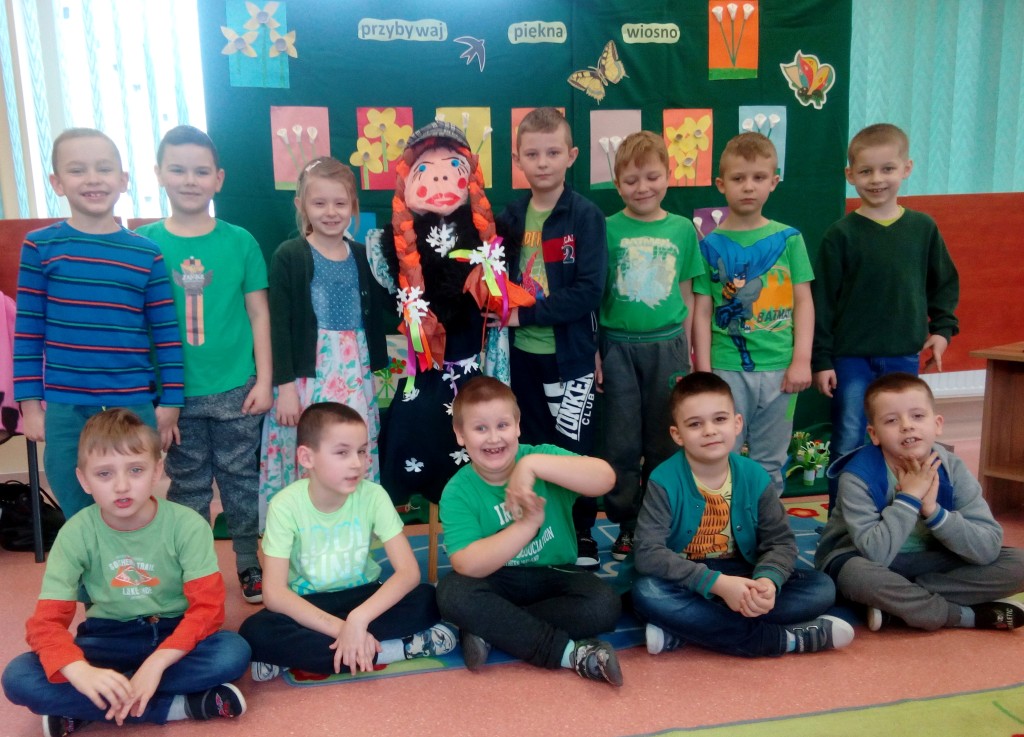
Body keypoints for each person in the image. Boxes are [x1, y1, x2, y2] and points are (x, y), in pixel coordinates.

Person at [1, 409, 250, 735]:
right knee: (19, 677)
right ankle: (178, 706)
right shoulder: (75, 533)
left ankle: (89, 707)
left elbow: (208, 610)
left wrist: (157, 663)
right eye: (104, 474)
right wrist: (80, 672)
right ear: (84, 480)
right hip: (107, 639)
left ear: (156, 471)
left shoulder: (187, 525)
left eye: (135, 470)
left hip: (174, 633)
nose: (121, 486)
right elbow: (45, 623)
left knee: (232, 653)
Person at [12, 128, 184, 518]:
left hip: (132, 400)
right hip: (66, 403)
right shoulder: (40, 246)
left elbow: (166, 336)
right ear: (57, 182)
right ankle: (88, 560)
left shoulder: (147, 253)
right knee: (74, 497)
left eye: (104, 169)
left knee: (132, 499)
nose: (92, 179)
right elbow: (28, 333)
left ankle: (132, 559)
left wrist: (172, 402)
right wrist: (30, 406)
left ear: (123, 180)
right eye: (77, 170)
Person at [137, 125, 271, 604]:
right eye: (178, 169)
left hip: (237, 386)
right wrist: (153, 396)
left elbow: (258, 313)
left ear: (219, 178)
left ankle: (249, 562)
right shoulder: (143, 243)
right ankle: (194, 569)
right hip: (175, 396)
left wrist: (265, 379)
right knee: (188, 485)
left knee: (240, 480)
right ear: (159, 174)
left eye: (200, 171)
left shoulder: (240, 241)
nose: (189, 180)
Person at [632, 372, 853, 657]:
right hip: (686, 578)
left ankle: (688, 629)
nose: (710, 430)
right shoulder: (663, 480)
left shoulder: (754, 476)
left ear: (737, 423)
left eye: (719, 419)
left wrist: (767, 582)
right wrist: (719, 585)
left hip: (744, 573)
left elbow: (781, 542)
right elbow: (648, 553)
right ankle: (783, 640)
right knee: (647, 592)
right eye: (695, 424)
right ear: (678, 435)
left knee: (821, 588)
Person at [239, 402, 456, 681]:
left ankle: (301, 657)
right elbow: (275, 594)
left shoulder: (374, 495)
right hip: (310, 605)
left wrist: (358, 620)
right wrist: (343, 629)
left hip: (365, 597)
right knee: (254, 631)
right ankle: (392, 649)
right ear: (307, 457)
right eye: (342, 452)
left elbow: (409, 573)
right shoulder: (284, 505)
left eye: (362, 451)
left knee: (429, 598)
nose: (357, 463)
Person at [377, 120, 529, 507]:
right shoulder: (396, 242)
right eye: (426, 170)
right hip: (426, 370)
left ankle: (480, 512)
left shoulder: (486, 237)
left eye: (452, 169)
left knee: (482, 431)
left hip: (473, 369)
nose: (441, 179)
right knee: (413, 425)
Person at [435, 377, 624, 686]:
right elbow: (467, 564)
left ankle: (491, 628)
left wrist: (532, 465)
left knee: (604, 604)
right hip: (495, 579)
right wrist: (526, 526)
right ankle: (568, 654)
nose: (494, 438)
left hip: (554, 574)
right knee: (451, 594)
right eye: (480, 428)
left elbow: (605, 478)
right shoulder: (457, 490)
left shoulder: (543, 456)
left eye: (502, 425)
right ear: (460, 434)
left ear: (518, 426)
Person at [812, 124, 960, 510]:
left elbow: (944, 283)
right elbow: (822, 302)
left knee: (907, 439)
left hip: (903, 358)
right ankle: (843, 523)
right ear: (850, 175)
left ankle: (905, 512)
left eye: (887, 169)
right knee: (848, 438)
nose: (877, 179)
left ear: (906, 168)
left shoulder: (923, 229)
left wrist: (943, 330)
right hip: (850, 359)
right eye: (866, 171)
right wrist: (822, 359)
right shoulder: (840, 235)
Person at [815, 373, 1024, 632]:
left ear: (937, 424)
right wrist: (909, 498)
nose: (907, 426)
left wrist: (934, 512)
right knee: (857, 576)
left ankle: (898, 606)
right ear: (874, 434)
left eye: (917, 416)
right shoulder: (858, 475)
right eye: (891, 420)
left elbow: (988, 547)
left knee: (1019, 563)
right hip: (868, 563)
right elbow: (874, 554)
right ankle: (961, 615)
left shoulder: (952, 468)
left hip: (931, 563)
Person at [499, 107, 608, 567]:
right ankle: (543, 531)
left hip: (570, 358)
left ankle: (581, 533)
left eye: (552, 152)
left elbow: (588, 292)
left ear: (571, 155)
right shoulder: (508, 217)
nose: (542, 162)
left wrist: (524, 316)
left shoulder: (585, 216)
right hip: (520, 360)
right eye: (532, 154)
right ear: (517, 160)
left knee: (574, 449)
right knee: (533, 448)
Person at [260, 157, 390, 528]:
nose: (330, 212)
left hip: (353, 373)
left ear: (353, 206)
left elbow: (379, 312)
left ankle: (352, 530)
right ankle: (302, 533)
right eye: (319, 203)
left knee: (348, 446)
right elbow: (279, 326)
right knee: (313, 449)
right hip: (308, 376)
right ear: (301, 205)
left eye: (340, 203)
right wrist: (285, 387)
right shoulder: (290, 255)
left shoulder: (362, 256)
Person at [597, 131, 705, 561]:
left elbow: (689, 295)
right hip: (618, 348)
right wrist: (596, 352)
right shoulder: (606, 229)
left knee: (665, 441)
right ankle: (627, 524)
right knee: (621, 443)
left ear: (668, 175)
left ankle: (660, 524)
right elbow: (595, 298)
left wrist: (691, 354)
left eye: (652, 177)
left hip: (668, 348)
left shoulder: (682, 229)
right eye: (631, 180)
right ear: (617, 184)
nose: (642, 188)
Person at [692, 132, 814, 497]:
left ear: (774, 182)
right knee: (721, 455)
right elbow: (702, 310)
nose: (749, 186)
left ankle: (767, 523)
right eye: (738, 178)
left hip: (781, 369)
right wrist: (704, 370)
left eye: (759, 177)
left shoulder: (789, 239)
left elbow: (804, 302)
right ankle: (722, 522)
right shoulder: (709, 246)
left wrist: (802, 359)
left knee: (770, 460)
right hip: (726, 369)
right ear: (721, 184)